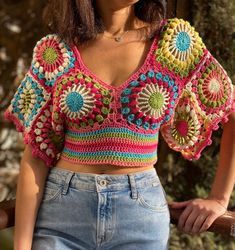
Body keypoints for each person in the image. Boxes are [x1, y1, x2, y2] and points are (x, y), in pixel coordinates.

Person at [4, 0, 235, 249]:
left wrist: (219, 198)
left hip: (139, 219)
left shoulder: (174, 43)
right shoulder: (56, 52)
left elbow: (230, 107)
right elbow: (37, 154)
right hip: (61, 219)